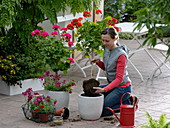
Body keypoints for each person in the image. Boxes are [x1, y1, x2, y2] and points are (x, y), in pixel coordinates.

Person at [91, 27, 138, 116]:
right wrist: (98, 62)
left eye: (107, 41)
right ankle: (122, 100)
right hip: (113, 85)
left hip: (122, 88)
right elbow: (108, 68)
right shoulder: (107, 50)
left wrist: (105, 89)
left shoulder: (121, 55)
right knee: (92, 94)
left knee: (102, 110)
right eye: (103, 40)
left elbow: (119, 79)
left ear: (115, 39)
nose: (104, 43)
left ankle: (129, 102)